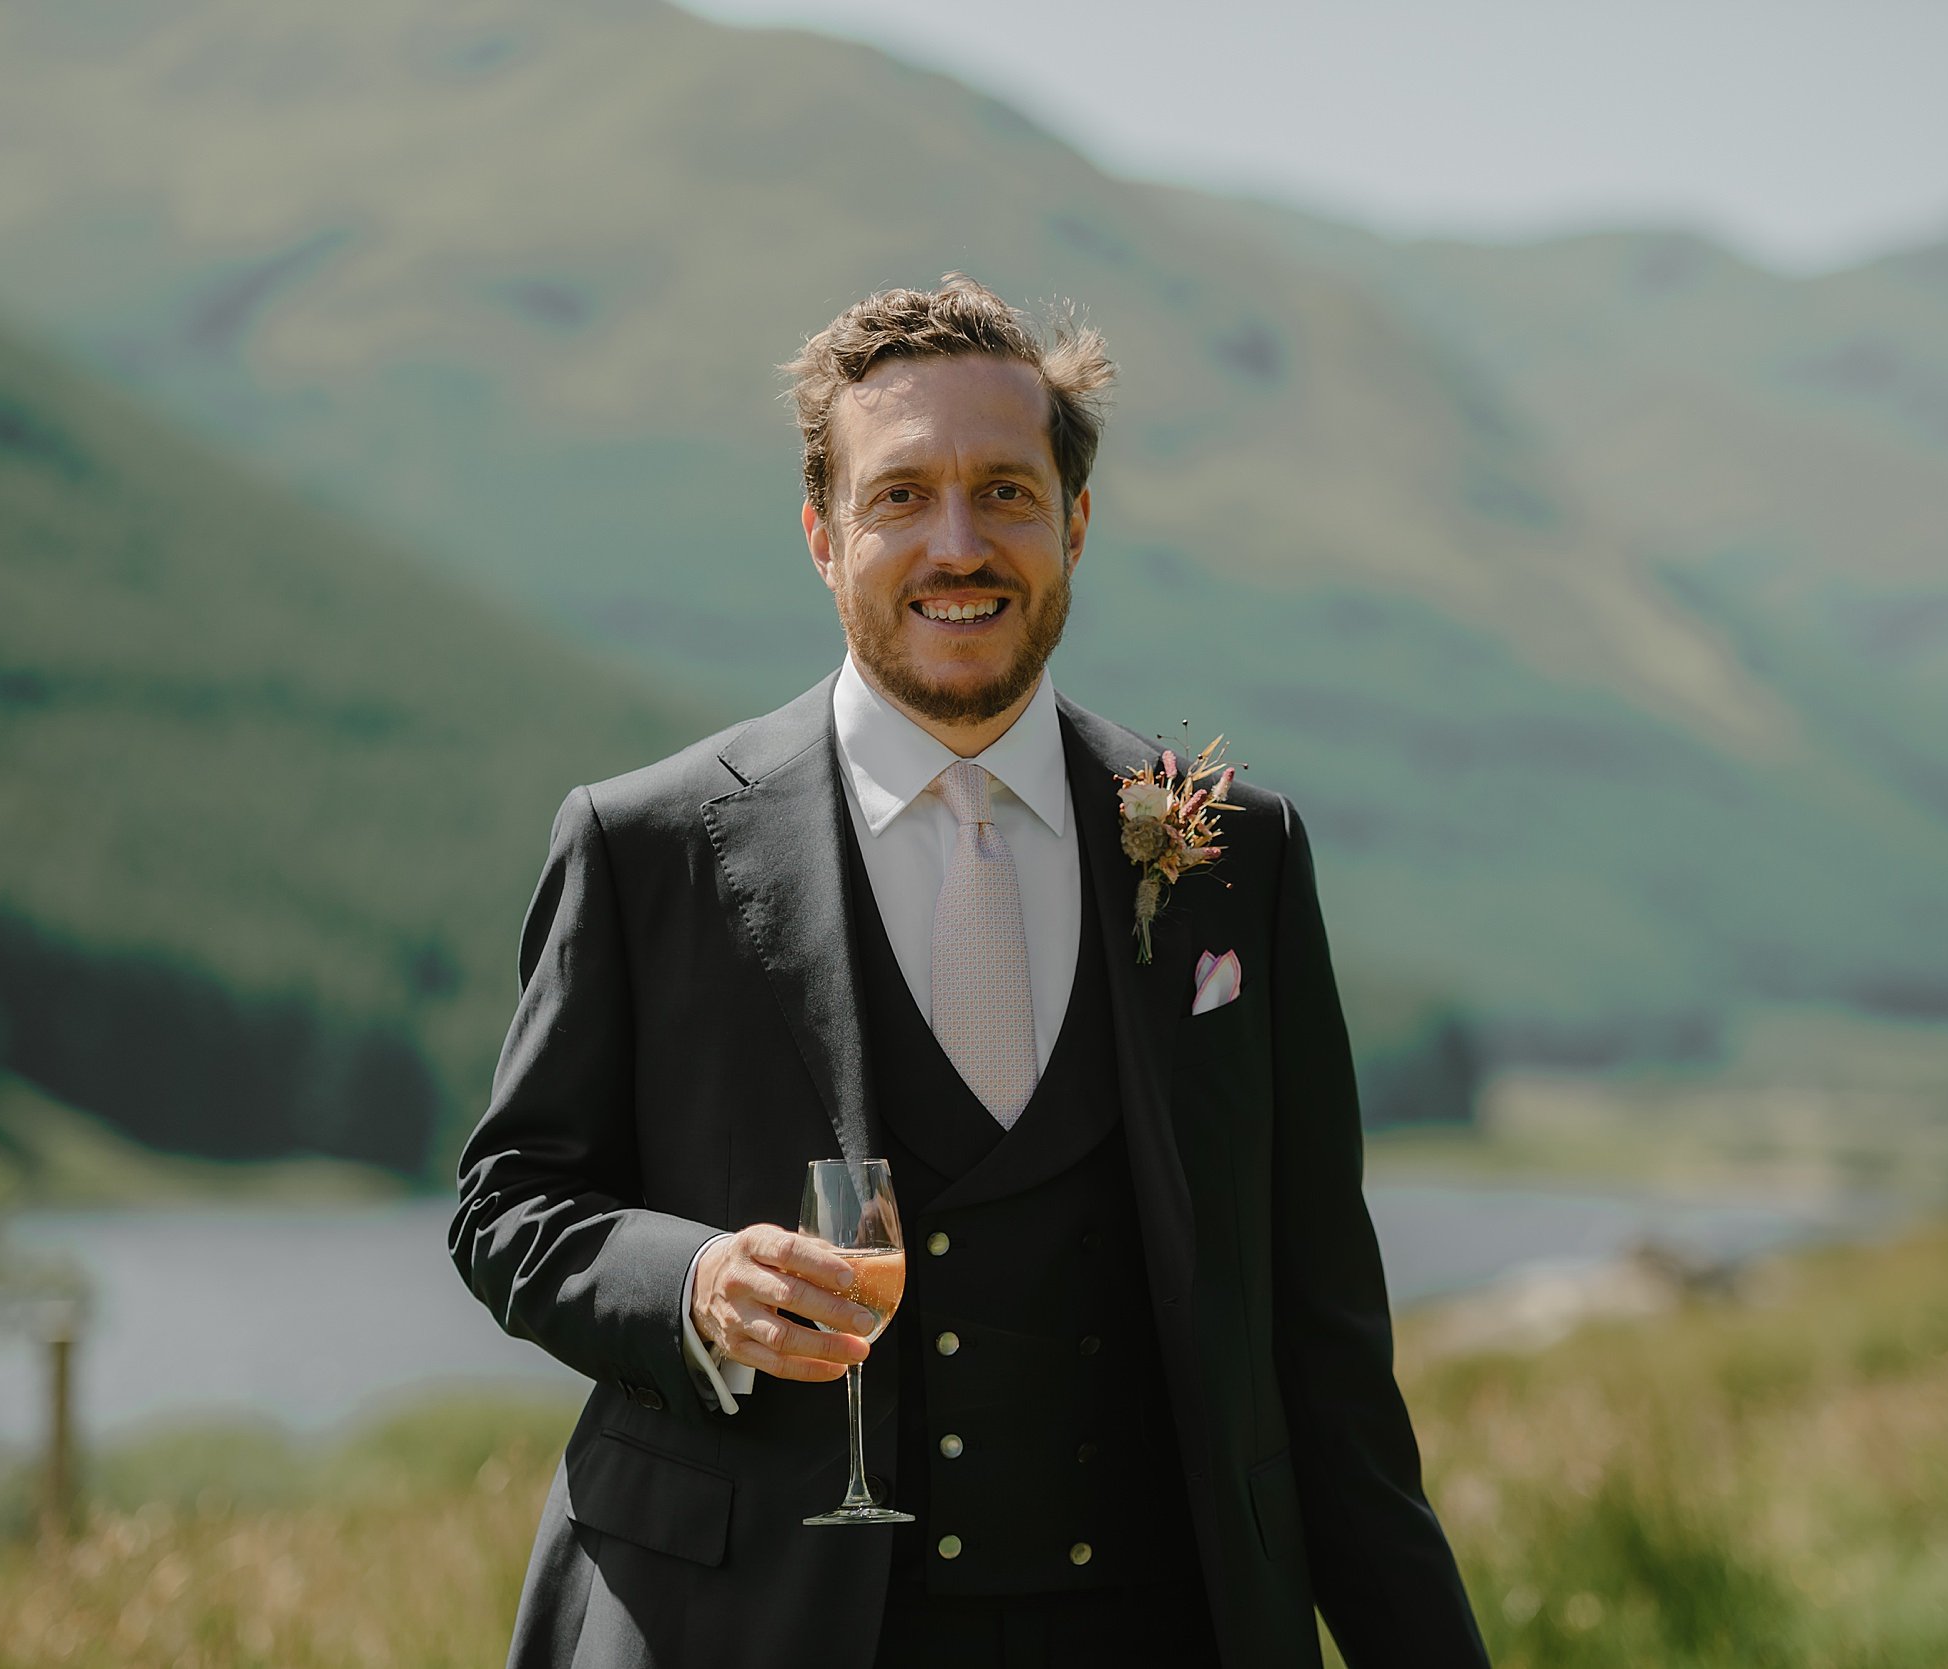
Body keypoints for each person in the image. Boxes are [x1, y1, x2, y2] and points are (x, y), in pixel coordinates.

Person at [451, 276, 1489, 1668]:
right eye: (900, 498)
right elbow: (509, 1205)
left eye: (1005, 491)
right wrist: (692, 1279)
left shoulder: (1236, 854)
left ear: (1074, 521)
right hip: (751, 1624)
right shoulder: (648, 848)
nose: (959, 544)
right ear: (824, 536)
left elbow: (1326, 1349)